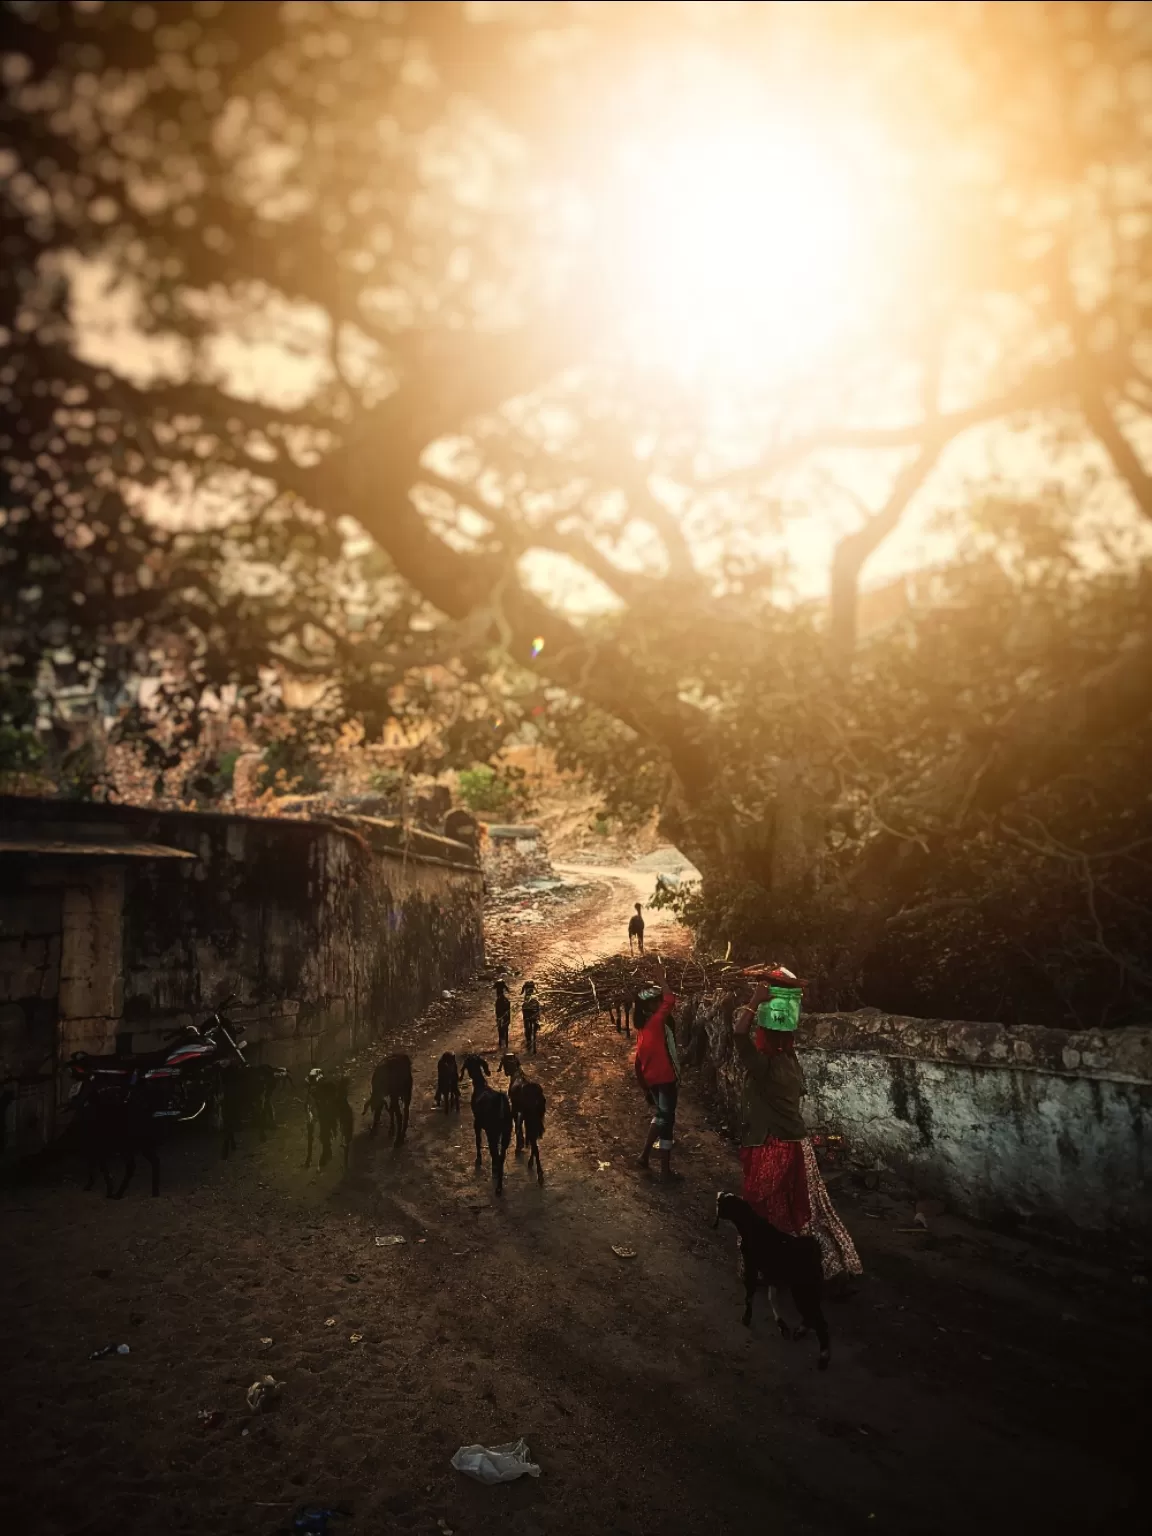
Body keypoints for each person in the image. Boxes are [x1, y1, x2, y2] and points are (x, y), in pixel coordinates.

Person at [732, 975, 861, 1279]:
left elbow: (738, 1036)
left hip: (772, 1146)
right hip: (798, 1146)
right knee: (805, 1211)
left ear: (764, 1037)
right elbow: (779, 1031)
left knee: (765, 1208)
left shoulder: (766, 1066)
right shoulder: (791, 1061)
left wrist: (754, 1001)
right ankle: (827, 1264)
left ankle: (768, 1267)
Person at [633, 964, 681, 1181]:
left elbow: (637, 1063)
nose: (659, 1003)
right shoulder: (654, 1023)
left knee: (660, 1117)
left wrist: (645, 1088)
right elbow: (670, 1000)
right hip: (665, 1080)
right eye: (655, 1002)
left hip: (653, 1080)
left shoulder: (642, 1029)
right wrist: (661, 978)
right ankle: (665, 1171)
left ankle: (644, 1156)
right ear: (648, 1008)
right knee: (667, 1122)